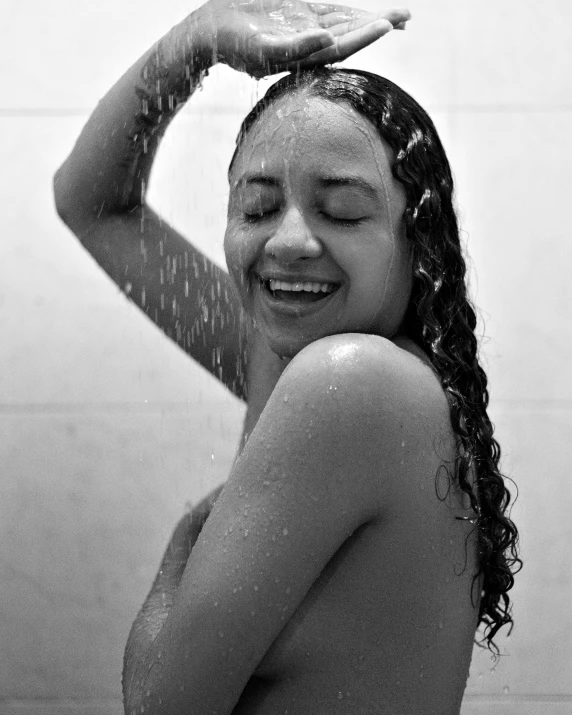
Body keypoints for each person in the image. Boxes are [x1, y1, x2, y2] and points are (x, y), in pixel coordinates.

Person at [54, 1, 521, 712]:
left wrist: (184, 546)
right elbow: (93, 204)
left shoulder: (353, 382)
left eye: (341, 210)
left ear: (418, 243)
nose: (288, 241)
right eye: (258, 206)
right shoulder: (287, 354)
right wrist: (199, 38)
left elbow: (158, 703)